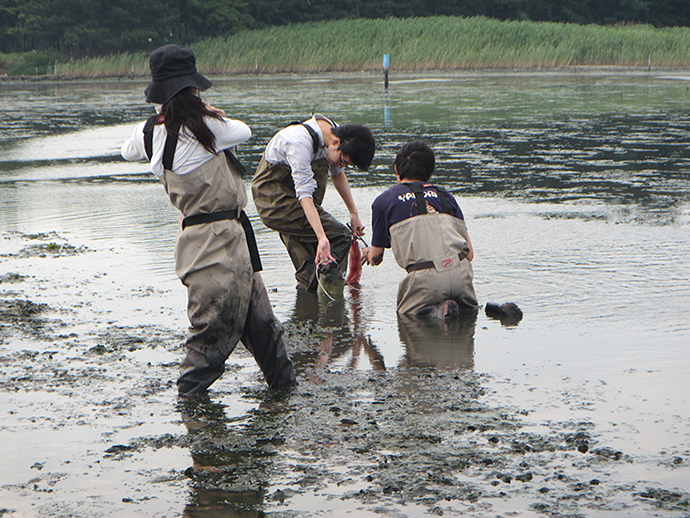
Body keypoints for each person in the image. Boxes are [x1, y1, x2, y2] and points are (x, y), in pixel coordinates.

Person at [121, 44, 295, 395]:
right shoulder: (209, 128)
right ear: (192, 90)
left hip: (205, 238)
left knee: (261, 322)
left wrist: (161, 120)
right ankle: (190, 405)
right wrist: (206, 114)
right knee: (209, 333)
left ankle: (285, 390)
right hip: (220, 241)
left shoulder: (150, 133)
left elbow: (126, 151)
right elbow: (243, 130)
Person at [251, 115, 375, 292]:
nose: (341, 165)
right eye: (342, 161)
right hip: (276, 204)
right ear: (335, 142)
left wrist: (353, 213)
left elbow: (337, 174)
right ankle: (333, 301)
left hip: (303, 205)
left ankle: (310, 314)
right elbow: (304, 194)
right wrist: (322, 237)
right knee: (340, 236)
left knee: (309, 272)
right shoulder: (298, 142)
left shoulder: (337, 136)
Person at [362, 140, 478, 320]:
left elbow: (377, 257)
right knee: (469, 317)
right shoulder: (445, 196)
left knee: (409, 318)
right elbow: (470, 254)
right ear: (430, 173)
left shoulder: (384, 201)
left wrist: (368, 254)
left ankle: (440, 311)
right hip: (462, 274)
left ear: (396, 169)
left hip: (425, 280)